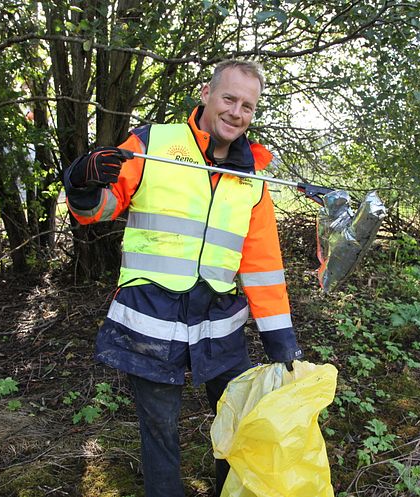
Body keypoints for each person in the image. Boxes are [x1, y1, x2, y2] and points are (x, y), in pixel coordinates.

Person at [63, 59, 302, 497]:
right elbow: (99, 209)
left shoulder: (253, 179)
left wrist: (280, 338)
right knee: (160, 435)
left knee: (238, 424)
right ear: (207, 94)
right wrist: (81, 185)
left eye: (247, 106)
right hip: (150, 323)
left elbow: (263, 266)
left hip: (220, 326)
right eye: (229, 98)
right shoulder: (155, 142)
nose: (236, 112)